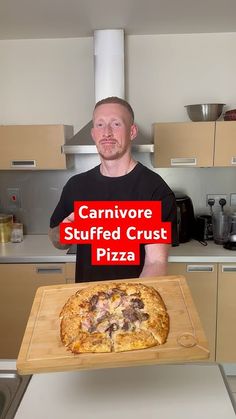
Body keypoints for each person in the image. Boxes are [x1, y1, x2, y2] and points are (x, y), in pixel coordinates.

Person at [49, 96, 177, 282]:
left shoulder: (154, 191)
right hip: (87, 302)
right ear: (93, 134)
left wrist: (130, 304)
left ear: (132, 131)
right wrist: (70, 223)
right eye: (100, 125)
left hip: (133, 303)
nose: (107, 132)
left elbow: (156, 262)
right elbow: (57, 241)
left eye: (116, 124)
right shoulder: (76, 186)